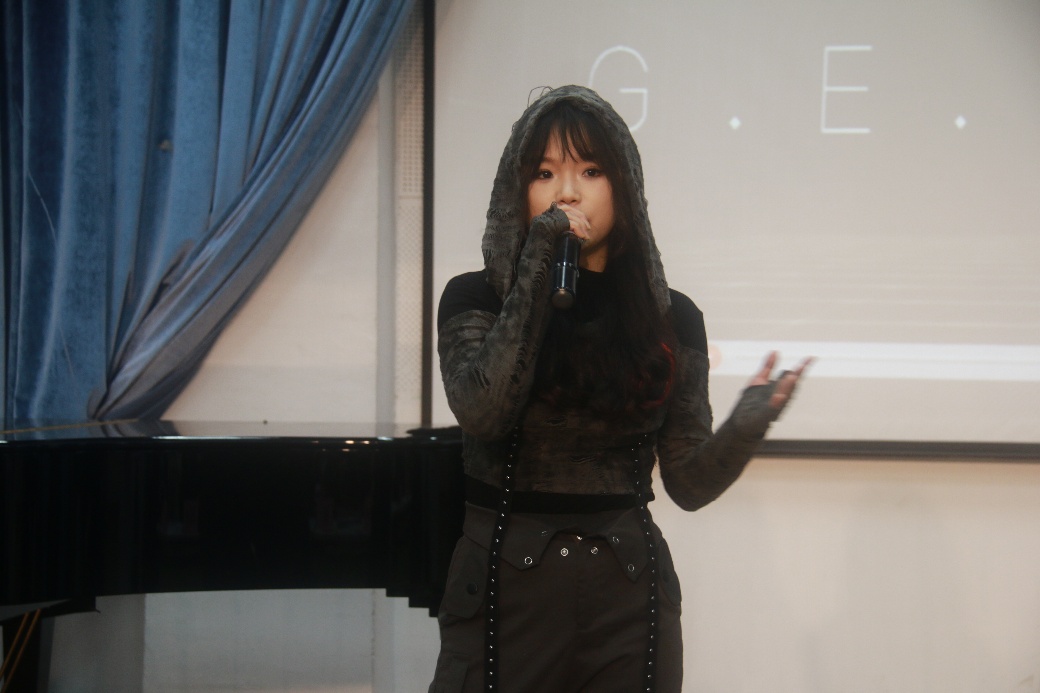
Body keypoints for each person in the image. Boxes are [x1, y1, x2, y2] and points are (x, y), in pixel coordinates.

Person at [429, 85, 809, 693]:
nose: (567, 193)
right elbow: (483, 410)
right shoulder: (475, 298)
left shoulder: (671, 317)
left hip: (629, 594)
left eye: (590, 170)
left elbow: (688, 483)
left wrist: (746, 425)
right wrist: (538, 266)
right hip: (505, 588)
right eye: (545, 174)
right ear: (516, 192)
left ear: (624, 187)